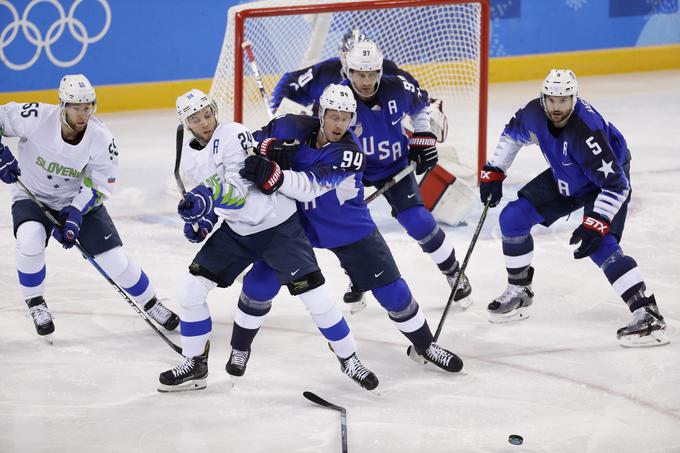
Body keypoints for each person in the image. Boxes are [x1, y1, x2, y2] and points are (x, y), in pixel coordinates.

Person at [158, 89, 378, 392]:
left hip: (279, 229)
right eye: (196, 119)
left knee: (317, 299)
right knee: (190, 292)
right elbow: (216, 202)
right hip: (237, 232)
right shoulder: (188, 159)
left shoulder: (233, 134)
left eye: (208, 114)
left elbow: (238, 191)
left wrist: (208, 196)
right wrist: (202, 220)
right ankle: (195, 363)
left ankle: (349, 358)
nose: (205, 123)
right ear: (186, 123)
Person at [238, 83, 463, 373]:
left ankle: (425, 345)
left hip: (346, 227)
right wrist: (261, 147)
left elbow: (310, 186)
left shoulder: (350, 152)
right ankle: (239, 349)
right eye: (334, 116)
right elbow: (245, 143)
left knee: (392, 291)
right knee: (259, 283)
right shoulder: (288, 126)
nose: (339, 123)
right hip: (297, 226)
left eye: (346, 118)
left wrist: (280, 165)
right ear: (320, 113)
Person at [479, 69, 668, 347]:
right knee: (513, 218)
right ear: (543, 99)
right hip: (568, 171)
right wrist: (494, 171)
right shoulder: (533, 112)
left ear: (574, 100)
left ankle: (647, 313)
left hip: (605, 178)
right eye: (552, 100)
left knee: (600, 243)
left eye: (564, 101)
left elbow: (616, 185)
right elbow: (512, 135)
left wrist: (598, 219)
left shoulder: (587, 132)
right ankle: (519, 290)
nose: (557, 108)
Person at [0, 74, 179, 339]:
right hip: (32, 194)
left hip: (77, 201)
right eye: (75, 106)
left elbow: (100, 186)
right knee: (29, 240)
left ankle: (151, 303)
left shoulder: (101, 138)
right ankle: (36, 302)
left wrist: (75, 214)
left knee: (114, 260)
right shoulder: (35, 116)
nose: (82, 113)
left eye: (88, 106)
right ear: (62, 104)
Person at [337, 39, 472, 309]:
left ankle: (453, 271)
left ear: (379, 71)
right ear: (349, 73)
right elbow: (325, 135)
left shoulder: (398, 86)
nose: (366, 81)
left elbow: (421, 105)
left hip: (395, 166)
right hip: (354, 170)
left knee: (419, 221)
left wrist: (423, 135)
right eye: (360, 74)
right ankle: (357, 276)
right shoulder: (338, 98)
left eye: (372, 74)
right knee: (349, 229)